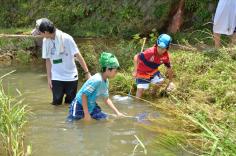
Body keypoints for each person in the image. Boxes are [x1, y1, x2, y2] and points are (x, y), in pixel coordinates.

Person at [33, 18, 91, 105]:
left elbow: (78, 56)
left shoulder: (67, 39)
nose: (40, 34)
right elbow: (48, 60)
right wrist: (49, 78)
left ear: (46, 32)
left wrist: (87, 73)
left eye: (40, 32)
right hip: (56, 77)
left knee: (70, 104)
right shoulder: (46, 41)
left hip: (71, 77)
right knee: (56, 104)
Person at [68, 52, 125, 121]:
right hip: (79, 104)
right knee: (73, 123)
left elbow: (106, 99)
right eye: (115, 71)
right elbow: (84, 95)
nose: (116, 73)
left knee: (104, 119)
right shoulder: (97, 80)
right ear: (108, 69)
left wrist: (117, 113)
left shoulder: (106, 81)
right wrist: (86, 114)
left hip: (91, 104)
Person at [132, 34, 175, 98]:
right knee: (140, 90)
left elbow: (169, 68)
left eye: (163, 48)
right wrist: (135, 71)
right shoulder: (150, 52)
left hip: (153, 71)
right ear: (157, 45)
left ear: (167, 48)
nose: (160, 50)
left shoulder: (165, 56)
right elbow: (136, 57)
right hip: (142, 72)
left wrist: (171, 81)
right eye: (159, 47)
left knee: (161, 81)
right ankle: (136, 103)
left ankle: (153, 92)